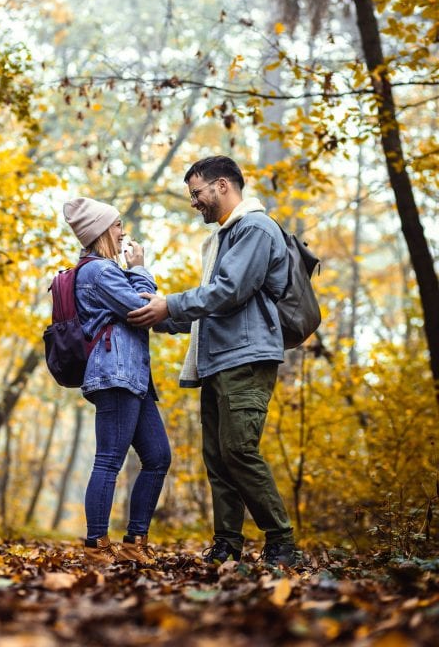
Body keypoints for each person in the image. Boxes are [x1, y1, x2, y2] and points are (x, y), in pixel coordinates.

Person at [127, 156, 297, 567]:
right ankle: (226, 544)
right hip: (218, 360)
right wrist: (159, 313)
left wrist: (169, 305)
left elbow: (228, 291)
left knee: (238, 449)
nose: (194, 202)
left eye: (197, 193)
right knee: (218, 459)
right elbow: (213, 308)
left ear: (222, 186)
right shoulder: (226, 237)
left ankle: (282, 542)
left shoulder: (254, 228)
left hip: (247, 357)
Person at [63, 197, 171, 567]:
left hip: (132, 375)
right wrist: (139, 268)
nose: (123, 231)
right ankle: (96, 547)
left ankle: (134, 542)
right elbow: (142, 308)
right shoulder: (99, 272)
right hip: (115, 374)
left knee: (158, 457)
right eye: (117, 225)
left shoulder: (103, 270)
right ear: (101, 232)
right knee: (109, 459)